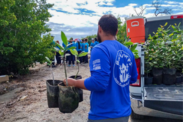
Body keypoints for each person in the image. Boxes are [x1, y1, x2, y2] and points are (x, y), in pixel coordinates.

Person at [63, 14, 138, 122]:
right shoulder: (128, 51)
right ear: (116, 31)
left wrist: (74, 83)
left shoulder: (100, 49)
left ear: (99, 29)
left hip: (104, 115)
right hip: (124, 113)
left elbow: (98, 83)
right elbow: (132, 78)